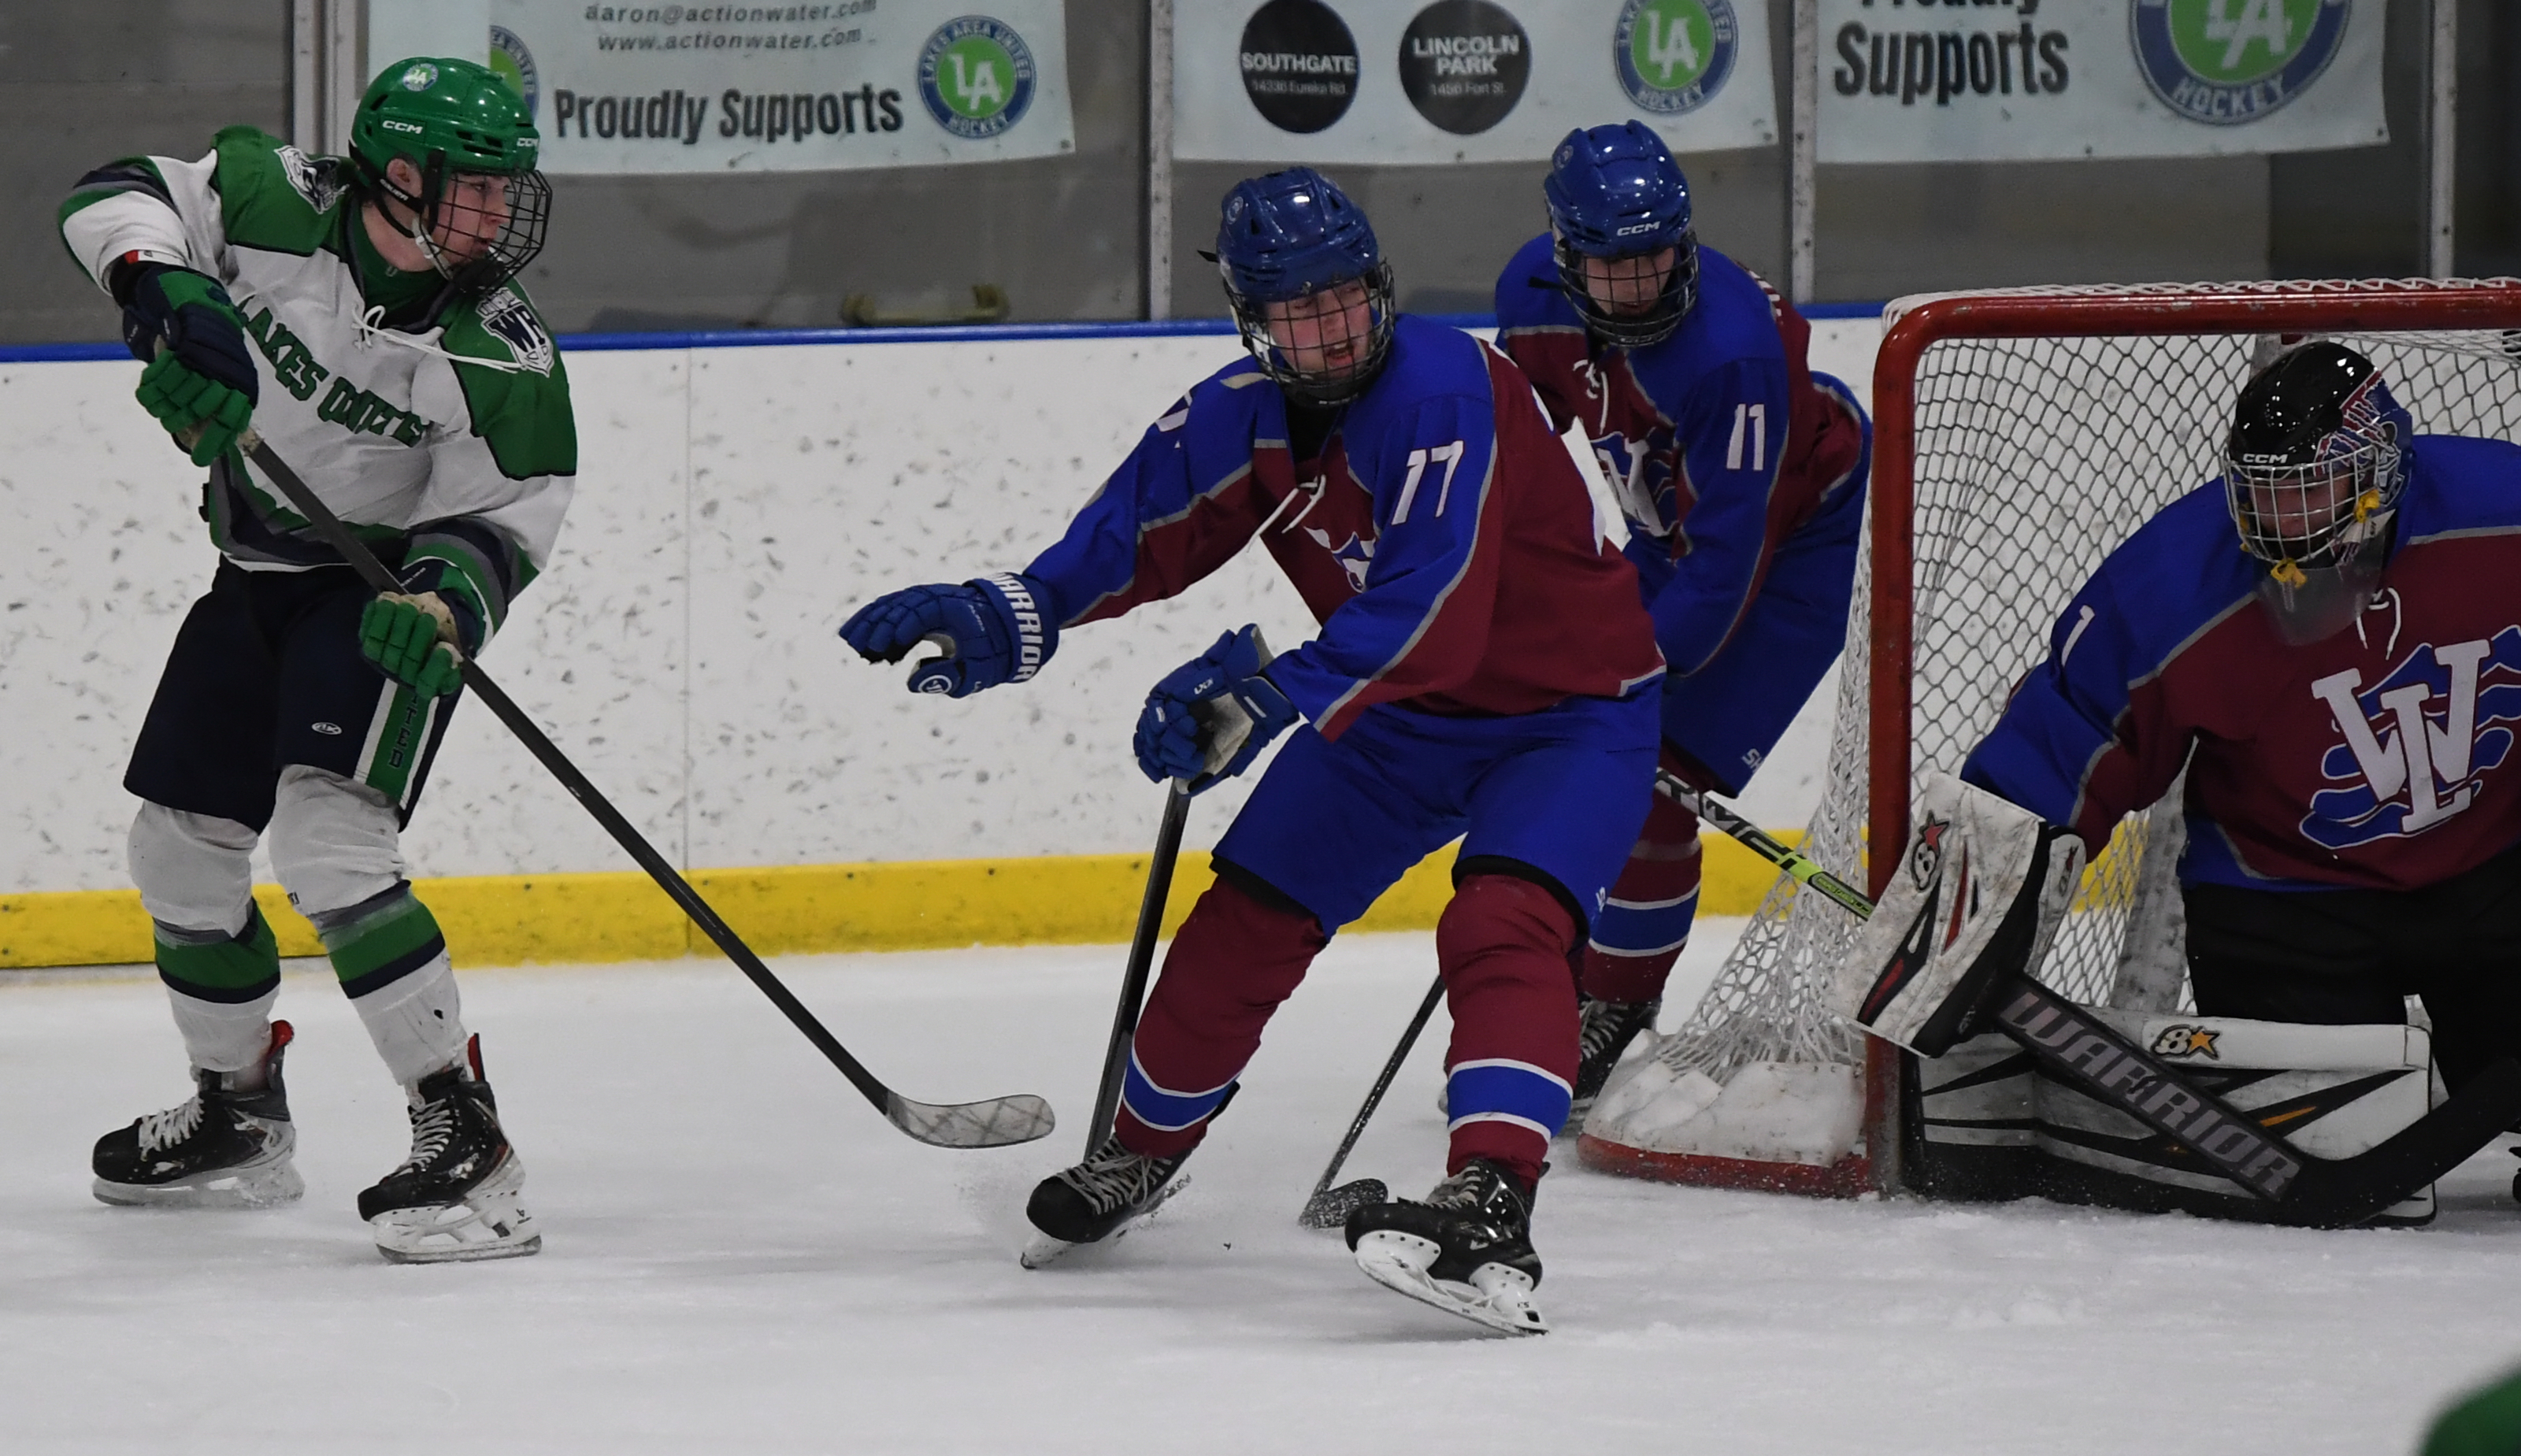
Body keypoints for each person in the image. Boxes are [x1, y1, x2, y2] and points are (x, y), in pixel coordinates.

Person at [840, 168, 1664, 1335]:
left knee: (1504, 921)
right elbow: (1134, 539)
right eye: (1295, 313)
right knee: (1247, 915)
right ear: (1253, 321)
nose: (1329, 333)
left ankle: (1490, 1197)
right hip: (1395, 716)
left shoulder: (1445, 388)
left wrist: (1269, 693)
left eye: (1345, 302)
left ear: (1378, 289)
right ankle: (1140, 1153)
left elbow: (1439, 612)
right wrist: (1010, 613)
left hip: (1570, 713)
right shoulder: (1236, 412)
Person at [58, 56, 573, 1262]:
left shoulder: (504, 354)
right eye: (475, 190)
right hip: (253, 578)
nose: (500, 217)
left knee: (331, 839)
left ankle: (469, 1142)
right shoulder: (270, 199)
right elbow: (112, 196)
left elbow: (508, 512)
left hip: (376, 592)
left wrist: (446, 603)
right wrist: (170, 297)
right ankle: (238, 1112)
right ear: (396, 178)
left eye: (509, 193)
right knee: (177, 849)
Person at [1959, 341, 2521, 1094]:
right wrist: (1970, 917)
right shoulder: (2168, 586)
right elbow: (2064, 748)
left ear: (2380, 470)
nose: (2282, 518)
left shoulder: (2503, 514)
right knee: (2317, 1162)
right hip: (2284, 902)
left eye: (2313, 489)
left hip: (2497, 867)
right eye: (2264, 492)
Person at [1492, 122, 1870, 1111]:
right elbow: (1518, 463)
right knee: (1573, 756)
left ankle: (1614, 1005)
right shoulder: (1533, 297)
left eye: (1658, 258)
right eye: (1612, 269)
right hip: (1673, 526)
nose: (1641, 286)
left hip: (1800, 543)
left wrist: (1613, 682)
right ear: (1568, 254)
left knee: (1658, 776)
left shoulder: (1728, 356)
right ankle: (1566, 976)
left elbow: (1722, 574)